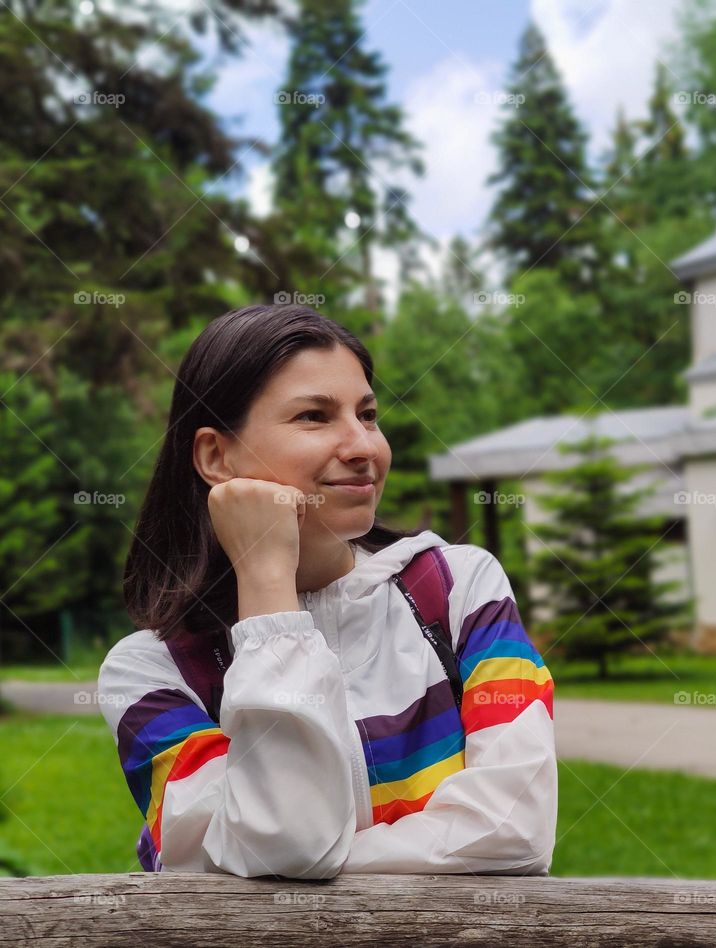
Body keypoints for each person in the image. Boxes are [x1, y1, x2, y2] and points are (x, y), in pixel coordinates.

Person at [97, 303, 557, 879]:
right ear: (216, 456)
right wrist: (265, 584)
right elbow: (290, 838)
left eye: (367, 415)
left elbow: (515, 832)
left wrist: (315, 863)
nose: (363, 445)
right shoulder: (152, 676)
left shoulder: (460, 591)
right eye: (315, 416)